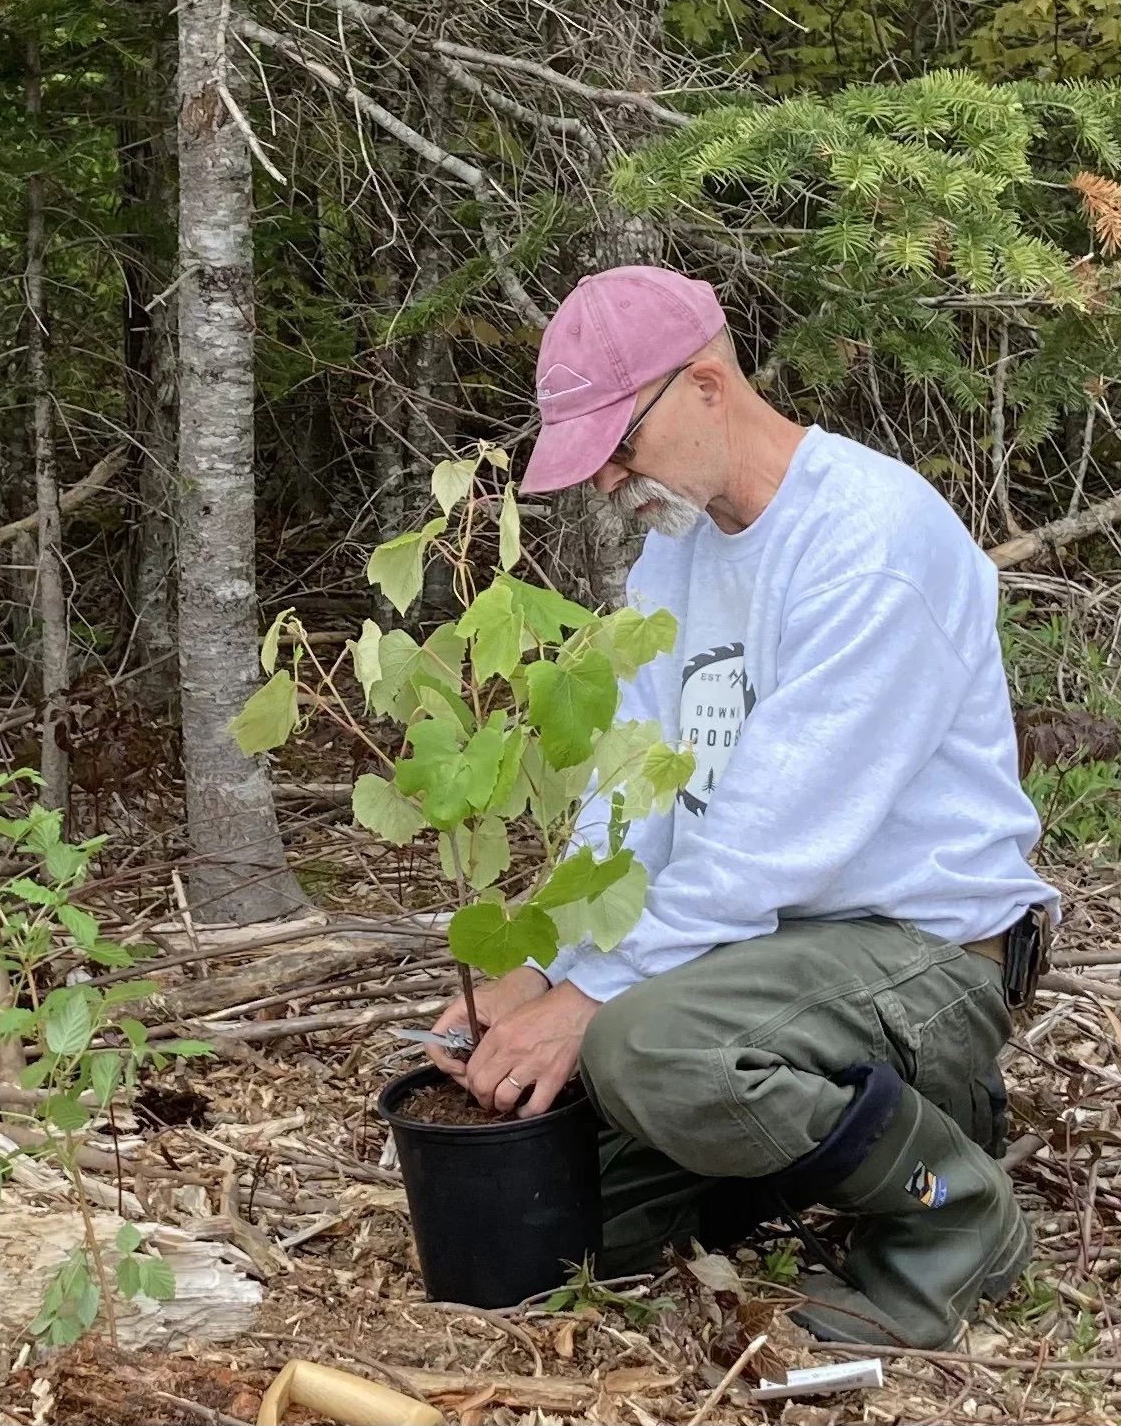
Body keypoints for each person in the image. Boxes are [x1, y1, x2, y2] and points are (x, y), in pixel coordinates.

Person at [428, 264, 1058, 1350]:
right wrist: (541, 962)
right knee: (551, 1220)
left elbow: (777, 840)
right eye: (593, 464)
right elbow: (632, 802)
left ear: (707, 387)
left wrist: (594, 997)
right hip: (761, 960)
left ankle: (953, 1214)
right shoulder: (673, 566)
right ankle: (808, 1143)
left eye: (620, 448)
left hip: (920, 956)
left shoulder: (869, 539)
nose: (610, 483)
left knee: (647, 1052)